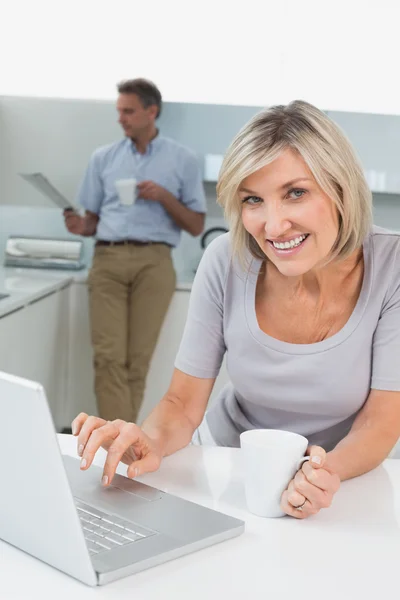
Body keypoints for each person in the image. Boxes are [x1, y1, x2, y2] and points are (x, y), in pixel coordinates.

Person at [71, 100, 400, 520]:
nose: (273, 225)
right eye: (252, 200)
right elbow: (182, 403)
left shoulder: (392, 267)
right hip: (227, 466)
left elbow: (381, 422)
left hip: (336, 479)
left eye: (295, 193)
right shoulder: (225, 260)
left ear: (340, 189)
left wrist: (320, 474)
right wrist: (149, 440)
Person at [64, 78, 206, 423]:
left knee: (137, 360)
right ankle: (122, 442)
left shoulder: (183, 160)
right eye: (119, 111)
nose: (121, 118)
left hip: (154, 262)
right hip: (108, 258)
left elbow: (196, 224)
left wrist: (164, 196)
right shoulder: (103, 158)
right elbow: (91, 222)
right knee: (108, 357)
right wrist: (78, 226)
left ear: (151, 111)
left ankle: (119, 442)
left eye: (128, 111)